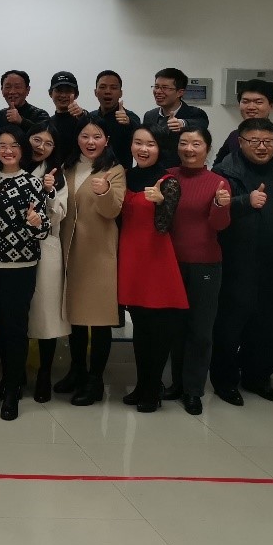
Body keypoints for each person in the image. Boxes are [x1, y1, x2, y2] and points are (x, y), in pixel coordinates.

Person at [212, 118, 273, 405]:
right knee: (231, 326)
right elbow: (215, 213)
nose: (262, 147)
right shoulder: (225, 172)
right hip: (237, 264)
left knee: (269, 326)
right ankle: (225, 381)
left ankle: (257, 377)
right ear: (240, 142)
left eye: (269, 141)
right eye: (255, 141)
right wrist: (244, 202)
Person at [56, 120, 127, 406]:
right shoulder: (68, 167)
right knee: (74, 317)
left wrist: (104, 191)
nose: (90, 141)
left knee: (98, 321)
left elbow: (113, 210)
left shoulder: (115, 170)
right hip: (69, 251)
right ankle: (77, 371)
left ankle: (95, 380)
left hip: (98, 255)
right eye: (85, 136)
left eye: (96, 136)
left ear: (106, 140)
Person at [0, 126, 49, 421]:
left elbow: (44, 229)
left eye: (13, 145)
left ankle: (12, 390)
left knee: (16, 328)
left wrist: (36, 222)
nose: (7, 151)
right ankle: (8, 380)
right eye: (1, 145)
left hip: (21, 267)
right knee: (0, 325)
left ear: (22, 149)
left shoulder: (32, 183)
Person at [118, 127, 186, 413]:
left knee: (157, 330)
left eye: (150, 144)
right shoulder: (126, 176)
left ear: (161, 148)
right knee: (141, 328)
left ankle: (152, 388)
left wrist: (160, 203)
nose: (143, 149)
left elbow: (163, 226)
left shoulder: (168, 181)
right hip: (130, 258)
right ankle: (142, 385)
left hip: (156, 260)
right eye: (138, 143)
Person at [165, 125, 231, 415]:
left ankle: (193, 390)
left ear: (207, 148)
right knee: (176, 328)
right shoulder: (168, 176)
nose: (189, 149)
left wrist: (220, 205)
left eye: (196, 144)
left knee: (200, 330)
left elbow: (220, 225)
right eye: (184, 143)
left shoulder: (218, 182)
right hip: (169, 263)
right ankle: (177, 384)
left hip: (205, 264)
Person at [26, 123, 70, 403]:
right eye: (36, 139)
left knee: (46, 314)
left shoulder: (57, 174)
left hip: (46, 247)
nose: (41, 146)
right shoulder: (12, 166)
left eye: (48, 143)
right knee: (18, 314)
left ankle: (44, 374)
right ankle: (15, 374)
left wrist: (50, 192)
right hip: (12, 250)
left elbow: (59, 214)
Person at [143, 68, 209, 158]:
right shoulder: (150, 115)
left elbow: (200, 124)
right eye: (156, 87)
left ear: (180, 92)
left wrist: (182, 123)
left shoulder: (195, 113)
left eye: (165, 88)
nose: (158, 92)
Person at [90, 70, 137, 169]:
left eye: (113, 88)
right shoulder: (91, 117)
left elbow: (138, 137)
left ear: (120, 93)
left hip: (122, 173)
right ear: (95, 92)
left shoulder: (130, 117)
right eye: (103, 87)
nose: (108, 91)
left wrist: (128, 123)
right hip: (92, 171)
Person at [47, 71, 90, 150]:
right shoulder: (47, 123)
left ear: (76, 94)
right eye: (59, 90)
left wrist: (82, 115)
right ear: (50, 93)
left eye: (68, 91)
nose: (63, 95)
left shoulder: (84, 120)